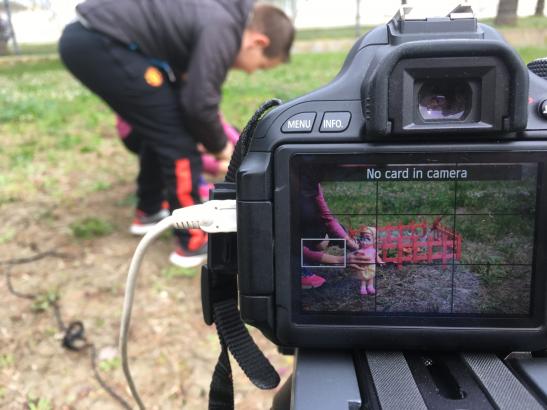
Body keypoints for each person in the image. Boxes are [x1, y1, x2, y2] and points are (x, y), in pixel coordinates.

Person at [59, 0, 295, 267]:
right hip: (100, 41)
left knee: (162, 126)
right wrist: (222, 150)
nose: (252, 72)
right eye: (262, 66)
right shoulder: (224, 27)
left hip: (93, 38)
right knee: (178, 140)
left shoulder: (219, 17)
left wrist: (220, 136)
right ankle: (193, 240)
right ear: (258, 42)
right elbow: (198, 105)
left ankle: (148, 209)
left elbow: (191, 93)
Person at [115, 113, 240, 235]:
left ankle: (150, 210)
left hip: (159, 124)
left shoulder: (200, 109)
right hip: (142, 129)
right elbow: (183, 152)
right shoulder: (187, 120)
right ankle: (192, 241)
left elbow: (218, 122)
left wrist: (237, 150)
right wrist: (217, 167)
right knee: (177, 158)